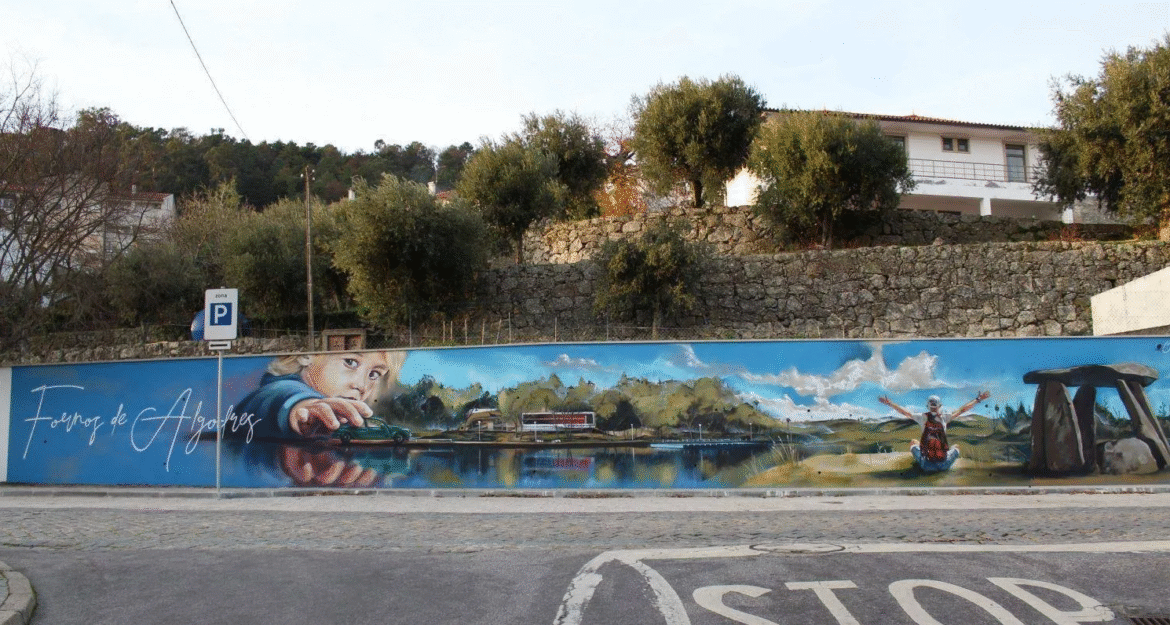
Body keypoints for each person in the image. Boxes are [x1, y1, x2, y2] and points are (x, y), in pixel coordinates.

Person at [234, 351, 406, 440]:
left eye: (374, 374)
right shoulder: (279, 390)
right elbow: (280, 397)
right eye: (350, 362)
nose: (361, 385)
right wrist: (302, 408)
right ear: (306, 355)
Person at [878, 390, 991, 472]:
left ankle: (921, 462)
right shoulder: (945, 417)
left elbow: (905, 412)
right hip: (944, 465)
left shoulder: (922, 417)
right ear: (939, 406)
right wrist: (978, 399)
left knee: (913, 442)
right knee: (956, 446)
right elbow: (962, 410)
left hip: (926, 466)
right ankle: (943, 463)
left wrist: (890, 403)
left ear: (928, 406)